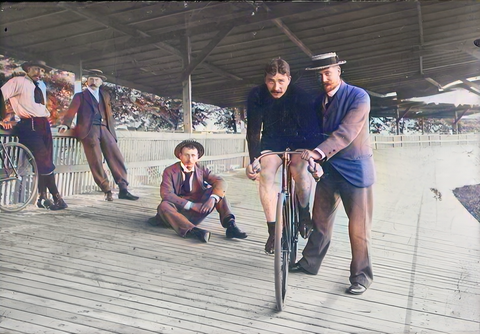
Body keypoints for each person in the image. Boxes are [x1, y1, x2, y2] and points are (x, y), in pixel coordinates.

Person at [289, 52, 376, 296]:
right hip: (329, 170)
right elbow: (315, 133)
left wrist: (316, 154)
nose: (324, 78)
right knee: (320, 221)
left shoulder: (359, 96)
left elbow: (346, 133)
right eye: (320, 75)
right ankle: (309, 264)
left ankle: (361, 277)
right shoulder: (320, 101)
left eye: (328, 72)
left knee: (358, 229)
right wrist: (309, 154)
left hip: (356, 172)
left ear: (339, 71)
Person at [245, 57, 321, 254]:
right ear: (265, 80)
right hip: (272, 142)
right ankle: (273, 231)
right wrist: (253, 160)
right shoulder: (256, 95)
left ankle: (304, 212)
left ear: (289, 78)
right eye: (271, 81)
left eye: (281, 81)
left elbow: (313, 132)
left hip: (300, 141)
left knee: (299, 170)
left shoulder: (302, 96)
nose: (276, 87)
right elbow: (253, 131)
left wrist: (313, 158)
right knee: (266, 175)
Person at [58, 69, 138, 201]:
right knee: (96, 160)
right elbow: (72, 111)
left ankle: (123, 188)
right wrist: (66, 124)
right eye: (91, 79)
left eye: (96, 79)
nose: (93, 82)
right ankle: (106, 189)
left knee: (116, 156)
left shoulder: (105, 95)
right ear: (87, 81)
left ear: (101, 82)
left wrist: (111, 130)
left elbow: (108, 113)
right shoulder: (80, 96)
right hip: (89, 130)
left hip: (105, 128)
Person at [147, 140, 247, 243]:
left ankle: (231, 226)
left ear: (197, 157)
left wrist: (213, 198)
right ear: (180, 156)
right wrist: (191, 205)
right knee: (164, 205)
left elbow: (220, 181)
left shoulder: (201, 169)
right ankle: (194, 231)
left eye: (193, 155)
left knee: (219, 194)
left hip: (197, 211)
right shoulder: (170, 171)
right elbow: (166, 194)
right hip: (175, 213)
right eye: (186, 155)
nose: (190, 159)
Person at [0, 60, 68, 211]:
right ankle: (58, 197)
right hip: (28, 125)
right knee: (44, 162)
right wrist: (2, 117)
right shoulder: (17, 81)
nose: (40, 73)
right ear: (28, 69)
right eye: (36, 69)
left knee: (45, 162)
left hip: (44, 125)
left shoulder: (39, 86)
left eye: (42, 71)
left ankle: (42, 198)